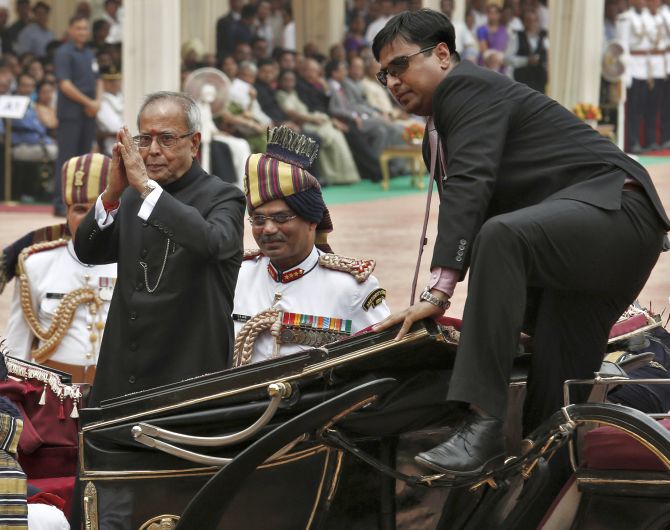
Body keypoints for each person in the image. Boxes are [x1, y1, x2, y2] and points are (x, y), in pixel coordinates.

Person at [371, 9, 669, 480]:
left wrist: (438, 292)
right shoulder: (436, 139)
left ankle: (483, 423)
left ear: (443, 55)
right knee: (551, 407)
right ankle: (548, 484)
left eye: (399, 65)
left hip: (616, 210)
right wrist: (516, 320)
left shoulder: (467, 87)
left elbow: (474, 193)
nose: (391, 81)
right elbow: (490, 217)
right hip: (582, 257)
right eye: (382, 74)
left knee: (503, 235)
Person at [74, 91, 246, 406]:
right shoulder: (130, 196)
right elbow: (88, 251)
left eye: (166, 139)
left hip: (186, 375)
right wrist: (112, 194)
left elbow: (212, 242)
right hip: (122, 373)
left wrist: (148, 190)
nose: (152, 151)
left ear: (194, 144)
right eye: (145, 139)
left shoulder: (223, 198)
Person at [233, 126, 389, 364]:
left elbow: (381, 355)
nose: (268, 229)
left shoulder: (351, 287)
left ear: (312, 221)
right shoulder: (238, 275)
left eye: (281, 218)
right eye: (258, 220)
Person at [4, 154, 116, 384]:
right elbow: (17, 345)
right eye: (79, 209)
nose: (88, 220)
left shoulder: (131, 262)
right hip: (50, 398)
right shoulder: (36, 264)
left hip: (111, 393)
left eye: (97, 209)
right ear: (66, 212)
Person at [53, 14, 102, 216]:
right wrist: (88, 102)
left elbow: (99, 80)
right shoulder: (63, 53)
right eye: (79, 28)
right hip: (71, 113)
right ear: (71, 30)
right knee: (67, 159)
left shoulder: (90, 53)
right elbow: (64, 84)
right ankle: (59, 203)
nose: (83, 32)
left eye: (85, 28)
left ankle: (79, 202)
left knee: (84, 160)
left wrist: (97, 102)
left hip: (89, 114)